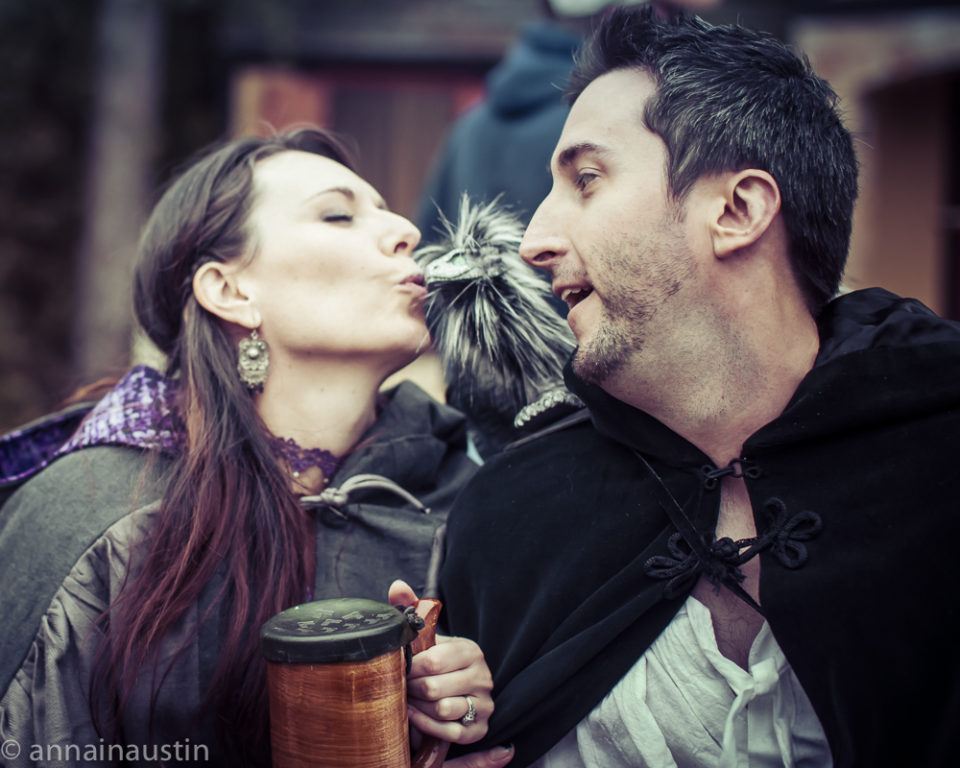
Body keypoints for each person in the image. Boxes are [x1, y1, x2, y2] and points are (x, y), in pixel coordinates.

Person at [439, 6, 960, 768]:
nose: (534, 241)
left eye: (586, 179)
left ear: (738, 211)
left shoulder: (941, 463)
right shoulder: (505, 519)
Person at [0, 127, 514, 768]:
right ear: (230, 290)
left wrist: (455, 714)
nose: (404, 230)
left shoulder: (463, 500)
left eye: (385, 209)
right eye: (338, 214)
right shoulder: (92, 515)